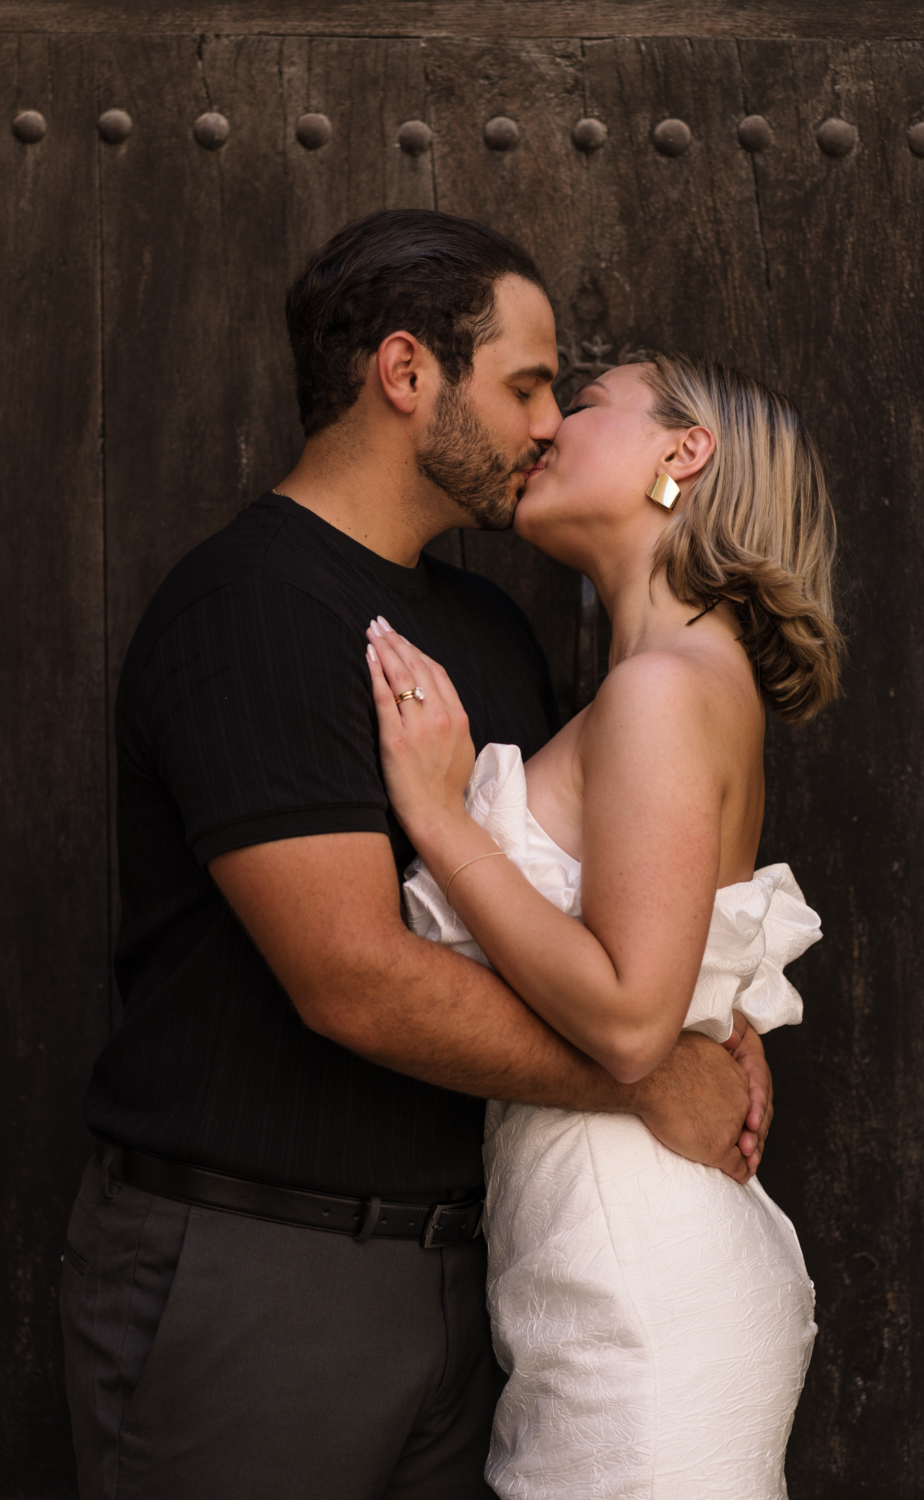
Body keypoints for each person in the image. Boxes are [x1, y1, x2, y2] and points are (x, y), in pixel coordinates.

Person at [60, 211, 774, 1500]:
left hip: (478, 1284)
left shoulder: (491, 631)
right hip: (262, 1264)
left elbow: (589, 900)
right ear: (404, 375)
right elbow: (353, 974)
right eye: (523, 385)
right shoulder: (252, 608)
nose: (548, 422)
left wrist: (707, 1001)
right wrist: (646, 1071)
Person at [364, 352, 841, 1499]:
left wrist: (439, 817)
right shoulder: (671, 680)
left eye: (582, 404)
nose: (545, 426)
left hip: (644, 1297)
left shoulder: (666, 688)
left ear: (684, 454)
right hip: (608, 1266)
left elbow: (631, 1024)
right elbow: (669, 966)